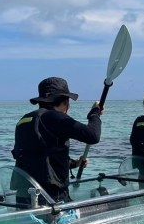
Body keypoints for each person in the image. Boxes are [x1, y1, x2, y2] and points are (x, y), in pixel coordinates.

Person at [12, 77, 101, 206]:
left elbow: (39, 157)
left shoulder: (24, 120)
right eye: (68, 102)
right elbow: (93, 136)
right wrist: (94, 114)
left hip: (24, 198)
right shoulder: (54, 117)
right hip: (50, 198)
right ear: (64, 102)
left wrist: (75, 163)